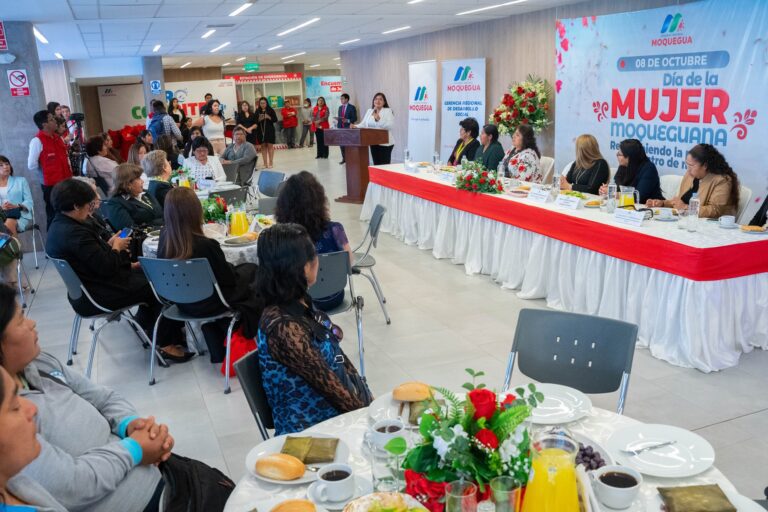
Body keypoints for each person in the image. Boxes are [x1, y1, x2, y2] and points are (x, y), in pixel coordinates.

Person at [0, 285, 235, 512]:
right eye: (20, 320)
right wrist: (134, 450)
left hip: (165, 476)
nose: (32, 323)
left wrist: (131, 426)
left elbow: (103, 397)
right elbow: (70, 486)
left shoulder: (40, 365)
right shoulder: (11, 424)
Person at [45, 179, 190, 362]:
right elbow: (106, 267)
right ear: (75, 206)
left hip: (85, 290)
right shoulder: (75, 233)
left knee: (147, 274)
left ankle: (147, 323)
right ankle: (165, 342)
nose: (91, 209)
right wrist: (117, 248)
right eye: (88, 205)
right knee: (159, 283)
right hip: (98, 294)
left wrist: (117, 254)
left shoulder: (58, 225)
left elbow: (89, 261)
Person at [255, 223, 370, 435]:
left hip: (330, 419)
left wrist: (366, 398)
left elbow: (339, 363)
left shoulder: (299, 302)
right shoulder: (283, 327)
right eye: (314, 255)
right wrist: (369, 418)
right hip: (310, 435)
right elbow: (332, 390)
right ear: (303, 267)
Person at [158, 187, 259, 362]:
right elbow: (227, 280)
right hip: (213, 303)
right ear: (195, 211)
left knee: (245, 270)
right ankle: (257, 330)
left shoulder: (164, 239)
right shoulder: (206, 245)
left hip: (181, 302)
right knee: (252, 269)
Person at [275, 171, 353, 311]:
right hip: (334, 296)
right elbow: (348, 263)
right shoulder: (335, 229)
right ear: (320, 201)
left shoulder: (284, 235)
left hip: (301, 301)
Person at [0, 363, 67, 511]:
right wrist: (131, 446)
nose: (33, 408)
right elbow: (74, 485)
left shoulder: (12, 481)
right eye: (15, 406)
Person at [646, 144, 739, 218]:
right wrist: (662, 203)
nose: (688, 169)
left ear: (705, 165)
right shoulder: (690, 175)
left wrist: (686, 208)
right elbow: (680, 202)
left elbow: (715, 211)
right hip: (686, 220)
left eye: (691, 165)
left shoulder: (722, 180)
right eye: (687, 165)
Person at [27, 110, 73, 228]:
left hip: (66, 181)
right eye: (51, 119)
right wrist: (47, 168)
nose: (55, 121)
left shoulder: (58, 138)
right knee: (54, 215)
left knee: (69, 213)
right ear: (44, 124)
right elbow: (31, 165)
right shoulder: (37, 141)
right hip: (51, 186)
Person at [599, 139, 664, 204]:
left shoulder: (649, 168)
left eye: (620, 154)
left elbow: (638, 197)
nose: (617, 155)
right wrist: (606, 190)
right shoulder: (623, 166)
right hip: (628, 207)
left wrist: (612, 193)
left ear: (629, 157)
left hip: (653, 209)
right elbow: (618, 187)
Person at [102, 163, 164, 230]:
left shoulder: (146, 193)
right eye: (138, 178)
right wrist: (159, 226)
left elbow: (162, 213)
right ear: (128, 183)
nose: (142, 181)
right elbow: (129, 230)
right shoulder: (115, 203)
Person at [354, 92, 395, 165]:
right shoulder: (370, 111)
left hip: (385, 143)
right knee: (376, 164)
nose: (378, 101)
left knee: (384, 166)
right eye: (376, 99)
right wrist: (355, 126)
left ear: (384, 102)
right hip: (373, 141)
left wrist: (378, 119)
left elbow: (390, 126)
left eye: (380, 99)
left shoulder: (388, 111)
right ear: (373, 101)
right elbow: (364, 124)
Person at [0, 156, 34, 237]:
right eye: (1, 165)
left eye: (7, 164)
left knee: (8, 223)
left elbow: (29, 201)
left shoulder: (21, 181)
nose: (5, 166)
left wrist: (17, 206)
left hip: (20, 216)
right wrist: (1, 208)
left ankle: (14, 250)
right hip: (1, 216)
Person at [335, 93, 357, 164]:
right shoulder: (340, 108)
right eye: (340, 99)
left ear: (346, 99)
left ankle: (350, 159)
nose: (341, 100)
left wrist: (347, 120)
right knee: (341, 145)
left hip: (348, 128)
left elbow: (354, 118)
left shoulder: (352, 107)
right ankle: (344, 159)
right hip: (340, 128)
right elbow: (340, 118)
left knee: (349, 145)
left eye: (342, 98)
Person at [254, 97, 277, 168]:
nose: (262, 104)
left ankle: (271, 162)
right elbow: (255, 122)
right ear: (259, 104)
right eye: (261, 103)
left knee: (270, 146)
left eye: (264, 103)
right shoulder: (257, 111)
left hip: (270, 130)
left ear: (266, 103)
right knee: (263, 147)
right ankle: (265, 163)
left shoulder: (270, 110)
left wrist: (268, 117)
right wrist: (259, 119)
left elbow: (275, 119)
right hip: (260, 131)